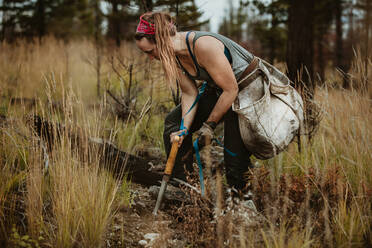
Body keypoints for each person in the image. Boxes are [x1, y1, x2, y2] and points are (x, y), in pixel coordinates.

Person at [134, 12, 256, 193]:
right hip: (220, 90)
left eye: (151, 52)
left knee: (233, 150)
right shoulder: (174, 56)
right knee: (173, 124)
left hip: (247, 90)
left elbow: (231, 90)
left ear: (161, 39)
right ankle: (184, 187)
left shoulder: (203, 46)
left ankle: (242, 203)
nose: (151, 58)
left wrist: (209, 125)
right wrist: (184, 129)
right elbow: (189, 93)